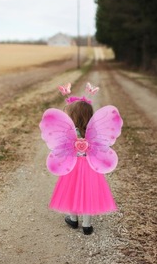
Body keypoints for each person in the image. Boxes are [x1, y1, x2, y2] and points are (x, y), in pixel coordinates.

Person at [39, 85, 122, 236]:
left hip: (72, 167)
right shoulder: (95, 132)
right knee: (88, 193)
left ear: (73, 117)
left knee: (72, 191)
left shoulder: (69, 133)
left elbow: (59, 145)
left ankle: (73, 219)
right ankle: (87, 225)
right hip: (91, 167)